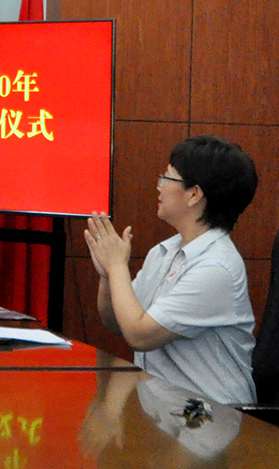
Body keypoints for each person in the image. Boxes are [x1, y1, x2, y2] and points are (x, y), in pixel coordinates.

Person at [85, 134, 258, 404]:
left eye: (167, 177)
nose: (159, 186)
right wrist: (108, 276)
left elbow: (139, 336)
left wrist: (118, 265)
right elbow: (117, 323)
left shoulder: (216, 267)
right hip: (164, 406)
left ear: (194, 194)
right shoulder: (164, 252)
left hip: (211, 414)